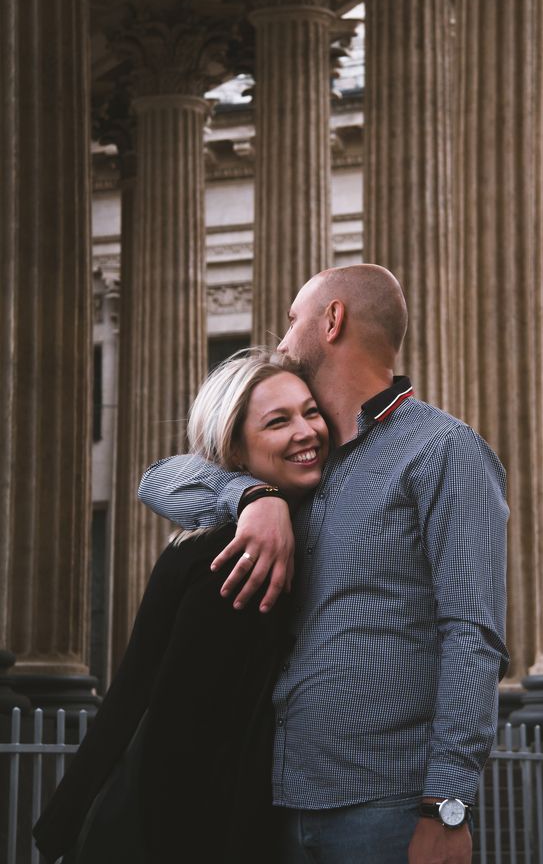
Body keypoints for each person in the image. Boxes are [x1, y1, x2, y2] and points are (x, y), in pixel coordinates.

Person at [139, 264, 509, 864]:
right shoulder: (304, 462)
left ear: (331, 320)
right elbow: (161, 479)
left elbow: (473, 634)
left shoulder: (444, 451)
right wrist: (252, 498)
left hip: (386, 807)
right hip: (273, 806)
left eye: (292, 321)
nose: (282, 342)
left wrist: (448, 804)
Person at [33, 351, 329, 864]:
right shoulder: (237, 557)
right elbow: (183, 733)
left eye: (311, 411)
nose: (306, 431)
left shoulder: (223, 535)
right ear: (234, 450)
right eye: (278, 422)